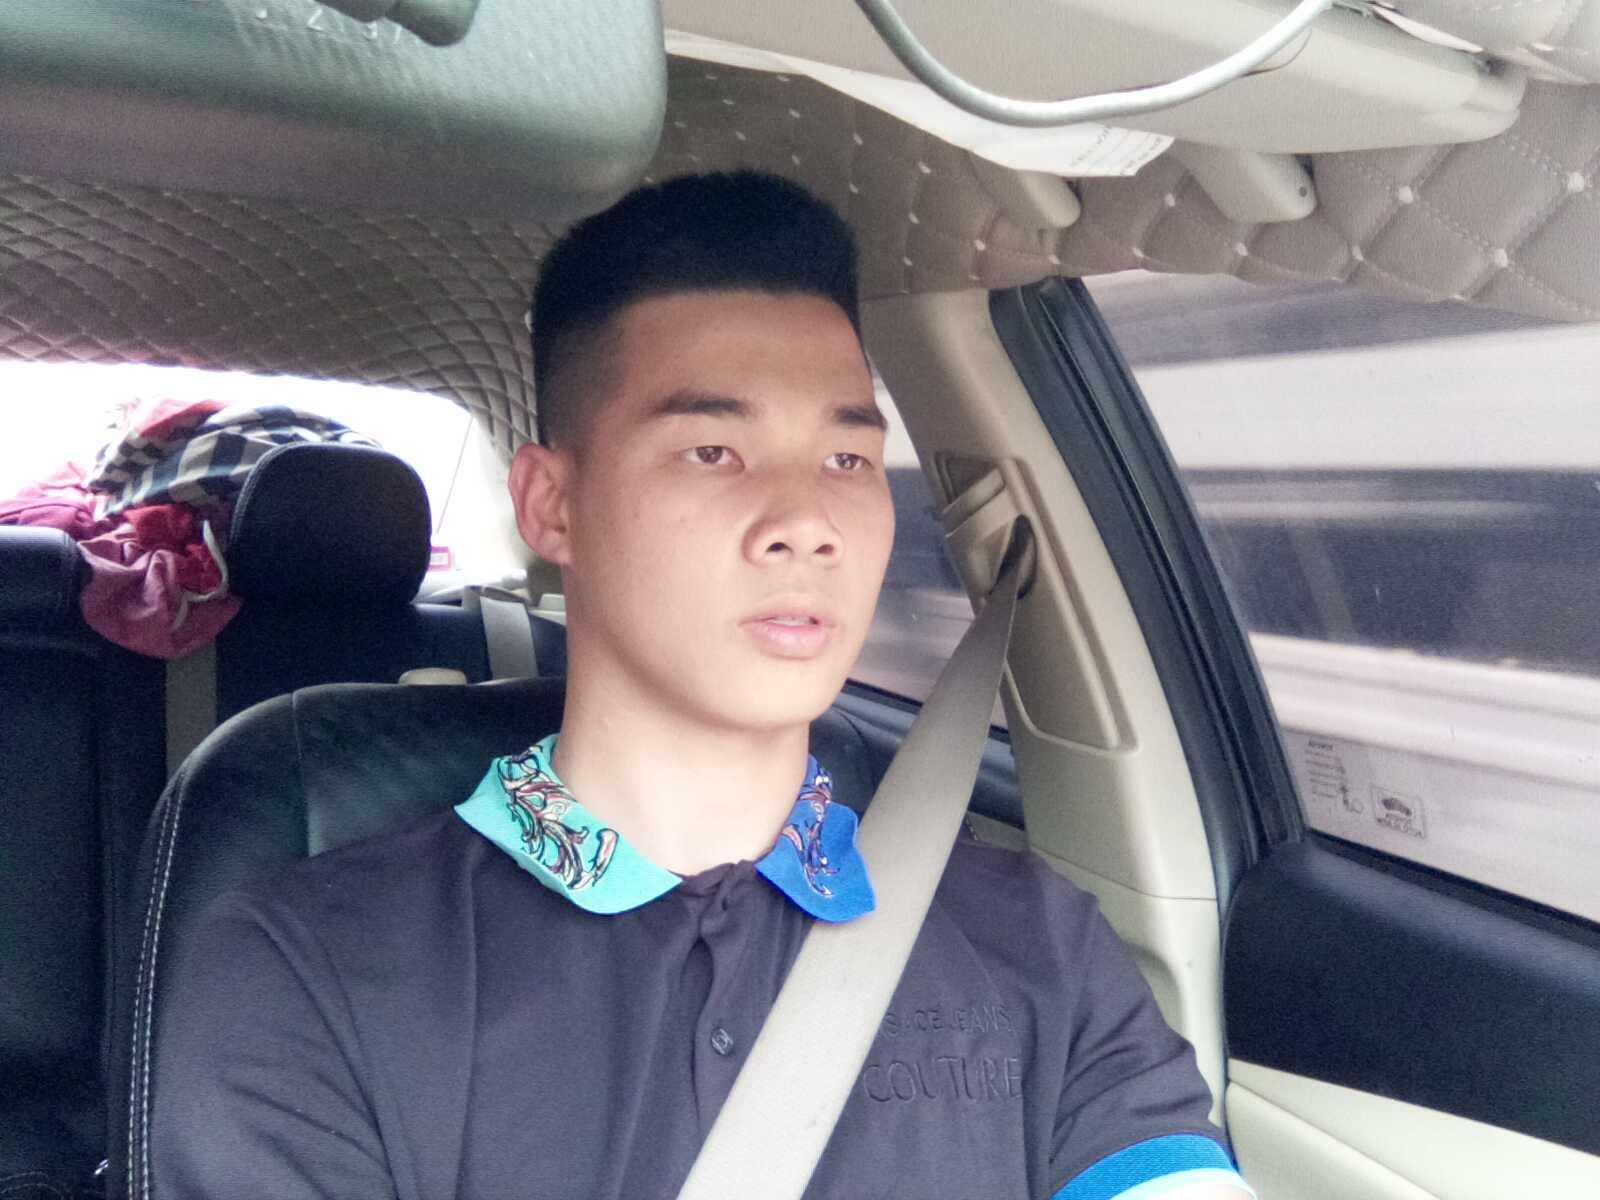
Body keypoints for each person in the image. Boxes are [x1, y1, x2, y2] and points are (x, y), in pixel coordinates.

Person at [153, 171, 1254, 1200]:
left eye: (846, 459)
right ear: (551, 506)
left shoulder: (1035, 941)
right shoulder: (306, 972)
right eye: (712, 452)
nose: (805, 524)